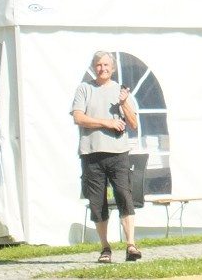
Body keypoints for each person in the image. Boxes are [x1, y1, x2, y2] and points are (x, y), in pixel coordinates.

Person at [71, 51, 141, 264]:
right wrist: (107, 122)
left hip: (118, 154)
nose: (102, 68)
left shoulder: (121, 91)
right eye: (99, 65)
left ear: (112, 68)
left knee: (124, 196)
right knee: (97, 202)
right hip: (91, 154)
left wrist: (123, 103)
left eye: (106, 65)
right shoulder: (85, 88)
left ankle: (131, 245)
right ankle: (105, 248)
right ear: (93, 67)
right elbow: (78, 117)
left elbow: (133, 123)